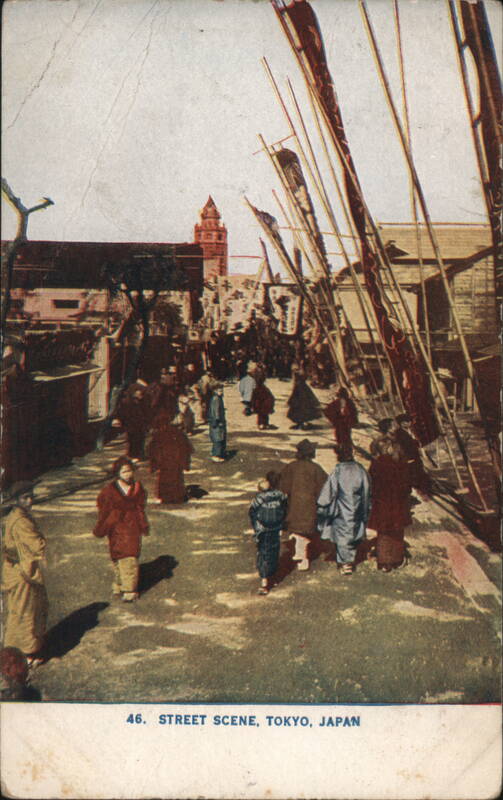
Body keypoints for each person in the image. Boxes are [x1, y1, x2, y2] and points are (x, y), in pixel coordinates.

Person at [2, 481, 48, 667]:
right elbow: (37, 545)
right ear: (16, 500)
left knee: (18, 612)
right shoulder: (22, 521)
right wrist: (42, 542)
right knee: (26, 613)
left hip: (14, 570)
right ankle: (26, 654)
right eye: (25, 498)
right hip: (23, 573)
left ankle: (15, 652)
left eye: (31, 497)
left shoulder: (15, 516)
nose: (30, 501)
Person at [93, 457, 149, 601]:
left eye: (129, 471)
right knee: (118, 554)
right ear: (117, 473)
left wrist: (142, 522)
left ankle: (129, 589)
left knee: (130, 555)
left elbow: (141, 505)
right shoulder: (109, 490)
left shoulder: (137, 487)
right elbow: (103, 507)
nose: (128, 474)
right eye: (124, 472)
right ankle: (119, 583)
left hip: (132, 524)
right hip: (116, 525)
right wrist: (106, 521)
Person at [317, 445, 371, 575]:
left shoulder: (338, 470)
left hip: (341, 507)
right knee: (353, 532)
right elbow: (366, 491)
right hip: (357, 506)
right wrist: (365, 509)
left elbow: (329, 491)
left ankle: (346, 563)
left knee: (342, 534)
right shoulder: (360, 469)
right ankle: (348, 560)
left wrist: (322, 504)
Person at [280, 439, 328, 571]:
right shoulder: (316, 469)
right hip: (310, 509)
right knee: (305, 532)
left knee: (298, 531)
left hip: (294, 509)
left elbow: (283, 487)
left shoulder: (291, 467)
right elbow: (324, 489)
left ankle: (301, 553)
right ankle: (303, 555)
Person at [367, 437, 412, 572]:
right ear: (388, 448)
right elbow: (407, 485)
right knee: (397, 531)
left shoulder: (375, 465)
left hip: (381, 504)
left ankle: (384, 561)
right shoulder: (399, 464)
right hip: (398, 504)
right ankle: (397, 559)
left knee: (383, 533)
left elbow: (371, 486)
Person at [248, 471, 288, 595]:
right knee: (274, 550)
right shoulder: (280, 495)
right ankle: (272, 575)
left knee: (263, 552)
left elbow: (252, 512)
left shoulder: (259, 498)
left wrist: (256, 527)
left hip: (263, 529)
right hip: (276, 528)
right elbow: (285, 508)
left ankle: (264, 581)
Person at [148, 411, 193, 504]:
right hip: (175, 461)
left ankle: (167, 497)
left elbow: (152, 451)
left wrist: (154, 464)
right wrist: (185, 462)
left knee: (166, 479)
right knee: (176, 478)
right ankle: (177, 496)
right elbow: (187, 448)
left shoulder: (158, 435)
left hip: (165, 462)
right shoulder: (178, 433)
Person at [394, 414, 431, 497]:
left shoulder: (405, 432)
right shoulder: (400, 434)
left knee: (418, 473)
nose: (410, 423)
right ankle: (423, 491)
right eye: (408, 421)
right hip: (410, 457)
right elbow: (404, 447)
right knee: (417, 473)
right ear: (402, 423)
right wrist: (408, 458)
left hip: (413, 456)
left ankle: (423, 489)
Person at [117, 388, 149, 462]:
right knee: (132, 440)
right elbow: (122, 413)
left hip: (140, 425)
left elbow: (146, 412)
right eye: (138, 394)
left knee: (140, 440)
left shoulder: (142, 402)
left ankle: (139, 454)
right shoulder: (127, 402)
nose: (140, 395)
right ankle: (132, 455)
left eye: (141, 394)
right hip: (131, 425)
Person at [208, 384, 227, 462]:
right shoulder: (216, 399)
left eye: (222, 390)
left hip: (217, 422)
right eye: (219, 390)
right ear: (215, 391)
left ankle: (217, 453)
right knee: (218, 438)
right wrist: (217, 420)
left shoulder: (218, 398)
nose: (221, 392)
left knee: (219, 437)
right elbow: (215, 412)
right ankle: (216, 455)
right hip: (217, 422)